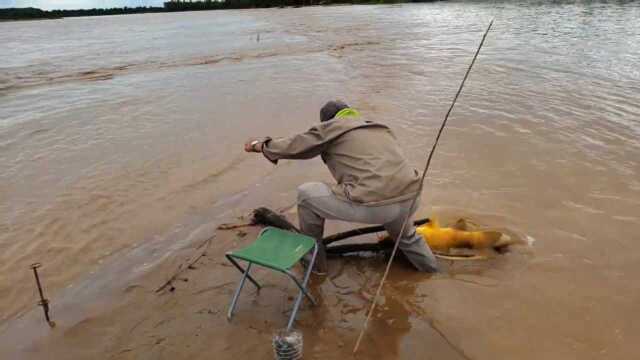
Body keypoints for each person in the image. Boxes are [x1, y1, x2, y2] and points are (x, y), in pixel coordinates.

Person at [244, 100, 438, 274]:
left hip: (375, 204)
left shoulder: (332, 128)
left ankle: (315, 266)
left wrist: (259, 146)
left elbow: (294, 146)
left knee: (306, 194)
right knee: (407, 237)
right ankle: (432, 272)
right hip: (410, 197)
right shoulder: (377, 127)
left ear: (327, 122)